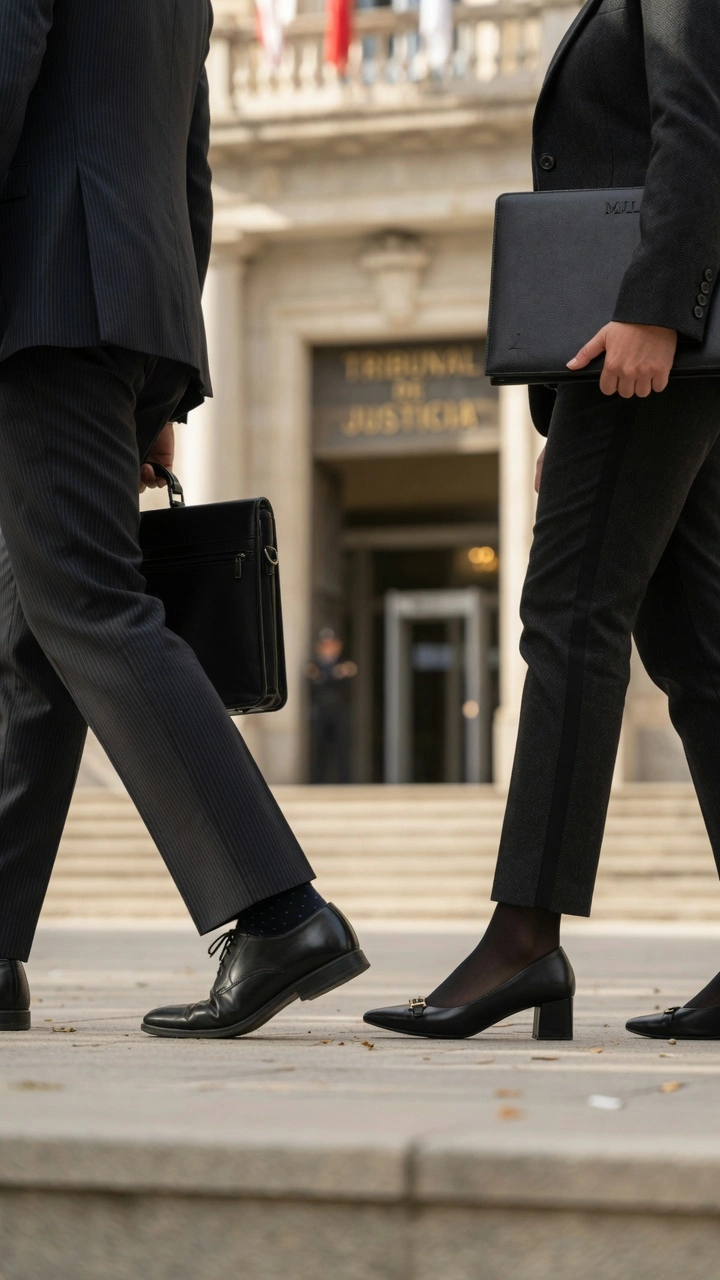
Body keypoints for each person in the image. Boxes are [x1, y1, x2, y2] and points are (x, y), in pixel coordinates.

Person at [0, 0, 368, 1038]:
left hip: (44, 296)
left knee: (88, 606)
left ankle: (278, 909)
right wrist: (158, 396)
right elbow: (189, 179)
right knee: (32, 635)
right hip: (125, 301)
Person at [365, 0, 720, 1043]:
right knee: (701, 654)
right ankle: (529, 941)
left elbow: (700, 122)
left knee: (567, 615)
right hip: (658, 338)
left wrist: (658, 304)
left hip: (642, 340)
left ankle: (524, 937)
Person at [306, 629, 357, 784]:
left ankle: (344, 782)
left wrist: (326, 676)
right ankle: (317, 782)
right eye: (325, 645)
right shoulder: (314, 664)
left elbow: (347, 679)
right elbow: (314, 683)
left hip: (339, 711)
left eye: (331, 644)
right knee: (319, 749)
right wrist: (333, 675)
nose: (328, 648)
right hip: (321, 711)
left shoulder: (344, 663)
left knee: (342, 748)